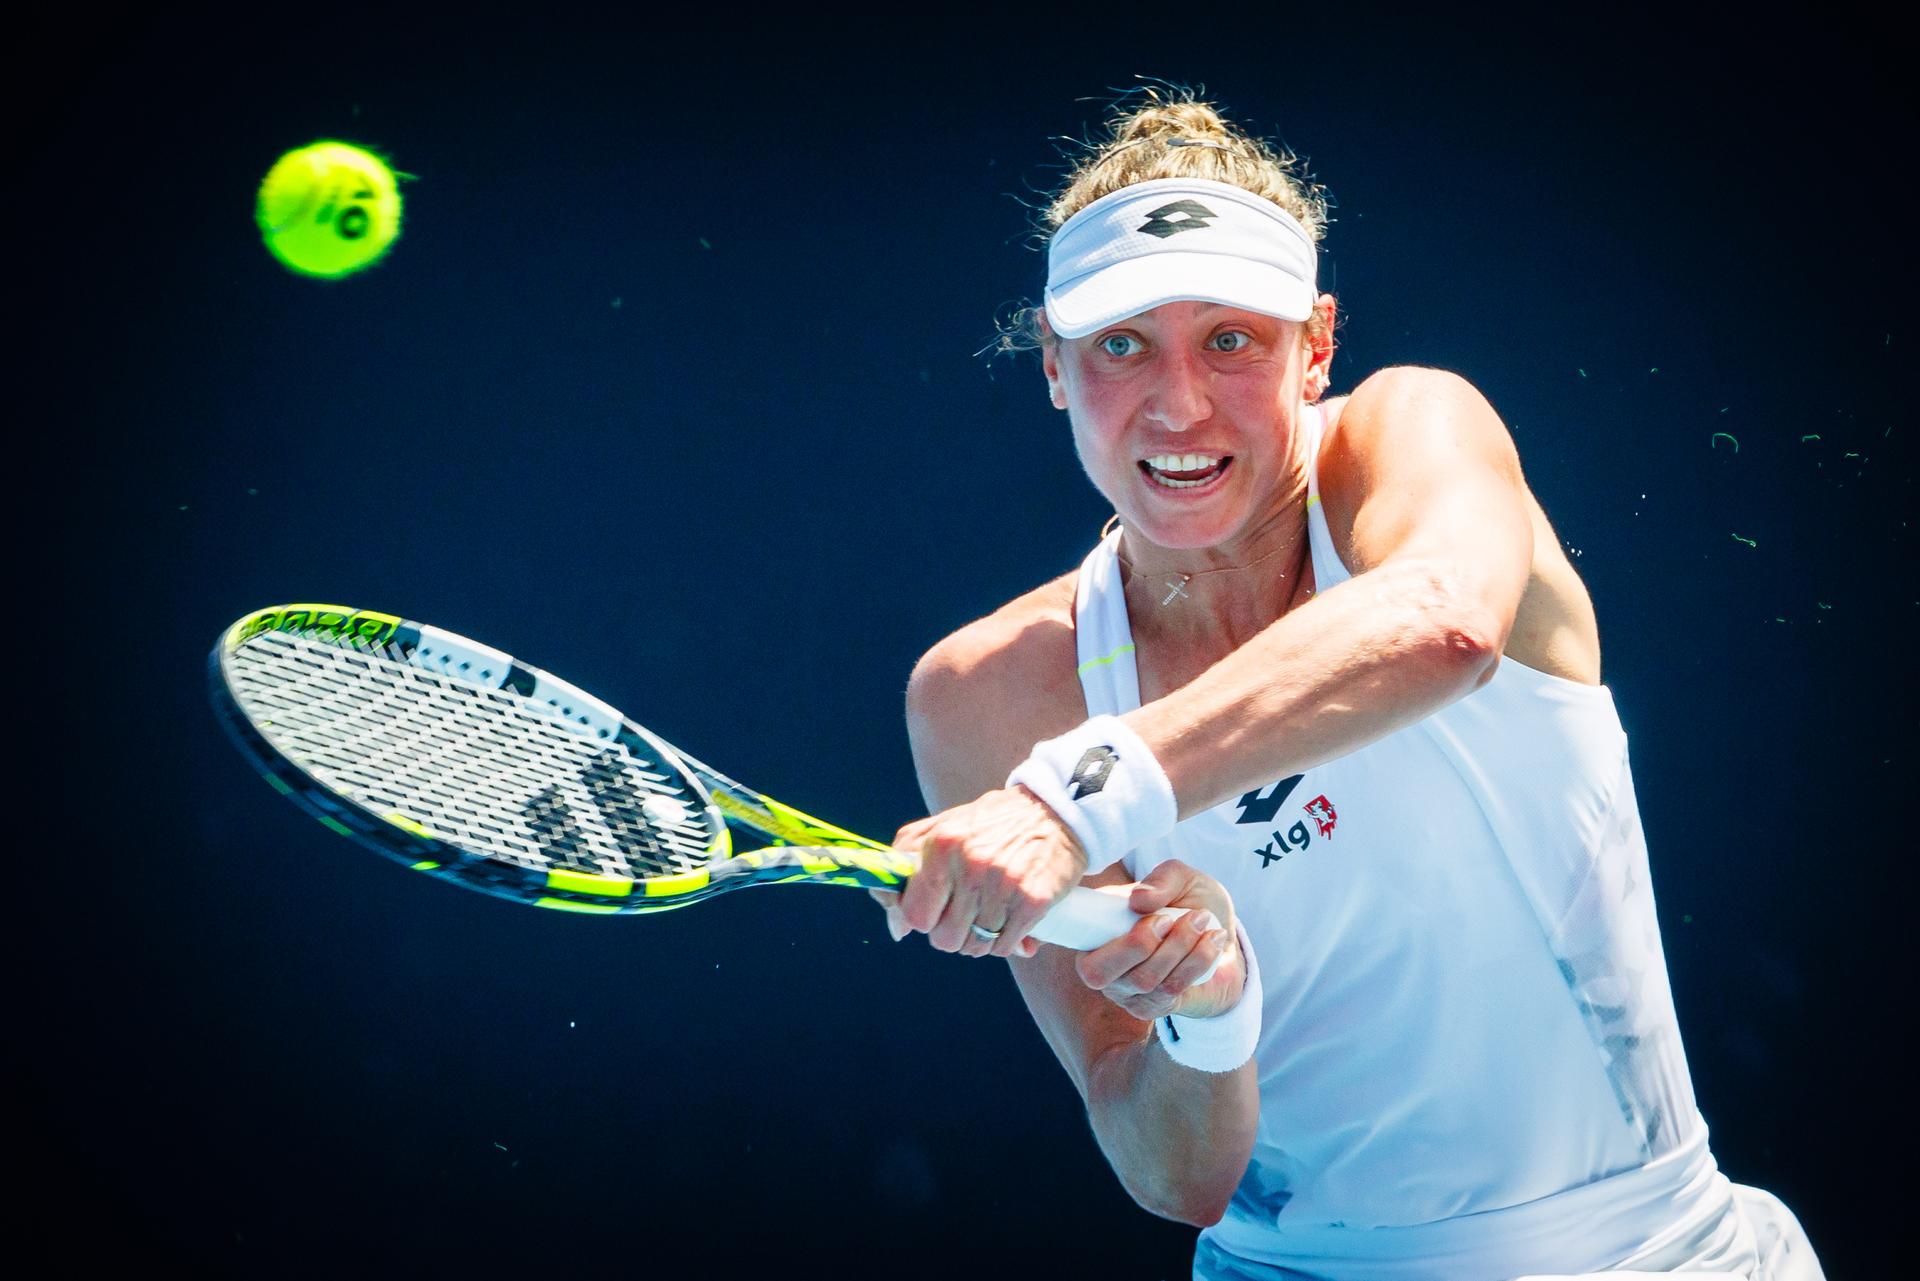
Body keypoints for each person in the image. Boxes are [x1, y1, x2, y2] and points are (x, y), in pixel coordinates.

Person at [869, 93, 1825, 1281]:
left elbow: (1444, 624)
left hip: (1657, 1261)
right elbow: (1177, 1176)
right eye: (1121, 345)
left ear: (1317, 347)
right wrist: (1207, 1014)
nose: (1178, 405)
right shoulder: (984, 694)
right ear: (1055, 368)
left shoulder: (1413, 433)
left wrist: (1075, 801)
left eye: (1232, 339)